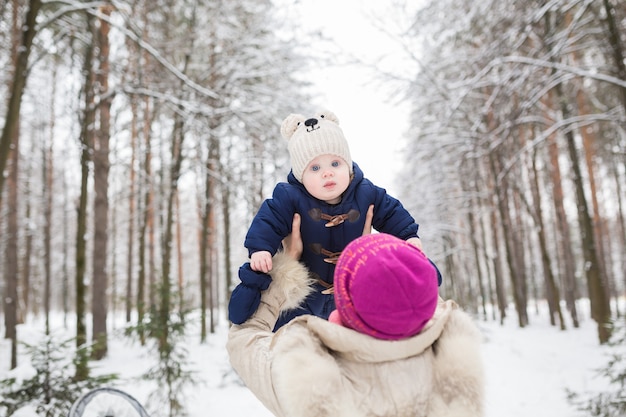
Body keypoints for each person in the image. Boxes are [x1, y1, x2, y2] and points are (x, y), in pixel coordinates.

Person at [226, 214, 485, 417]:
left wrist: (289, 263)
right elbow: (418, 295)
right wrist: (385, 254)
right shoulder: (454, 373)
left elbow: (245, 336)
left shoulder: (306, 377)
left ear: (341, 311)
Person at [229, 109, 441, 329]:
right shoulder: (289, 197)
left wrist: (408, 237)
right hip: (305, 294)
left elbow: (391, 213)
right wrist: (260, 248)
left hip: (350, 293)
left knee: (355, 335)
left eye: (335, 164)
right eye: (315, 168)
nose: (327, 173)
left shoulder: (366, 192)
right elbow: (268, 221)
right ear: (301, 175)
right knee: (292, 335)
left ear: (348, 164)